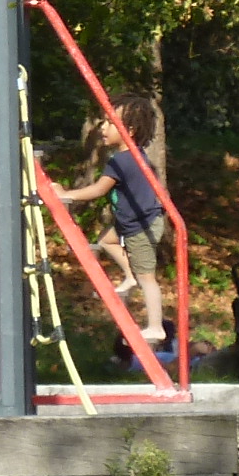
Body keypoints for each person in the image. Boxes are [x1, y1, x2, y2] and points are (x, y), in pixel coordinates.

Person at [56, 93, 168, 345]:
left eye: (109, 123)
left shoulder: (122, 160)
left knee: (147, 278)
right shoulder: (133, 156)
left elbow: (97, 190)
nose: (103, 128)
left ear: (129, 129)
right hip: (130, 221)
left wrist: (66, 195)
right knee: (107, 241)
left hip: (142, 226)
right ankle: (129, 276)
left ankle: (155, 327)